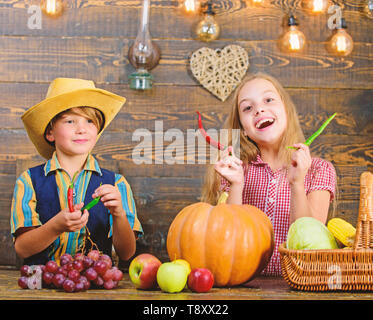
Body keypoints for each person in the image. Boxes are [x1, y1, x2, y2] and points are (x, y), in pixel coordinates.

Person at [201, 72, 336, 276]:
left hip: (300, 284)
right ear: (244, 129)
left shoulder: (318, 169)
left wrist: (297, 184)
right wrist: (236, 185)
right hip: (242, 287)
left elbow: (311, 245)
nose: (259, 109)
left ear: (286, 110)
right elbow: (226, 242)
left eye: (268, 99)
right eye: (248, 107)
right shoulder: (235, 169)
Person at [10, 78, 143, 265]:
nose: (81, 129)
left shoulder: (116, 184)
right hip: (42, 288)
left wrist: (119, 213)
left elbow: (127, 252)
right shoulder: (28, 181)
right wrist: (55, 227)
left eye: (90, 121)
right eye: (70, 121)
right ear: (50, 133)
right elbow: (22, 248)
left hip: (94, 288)